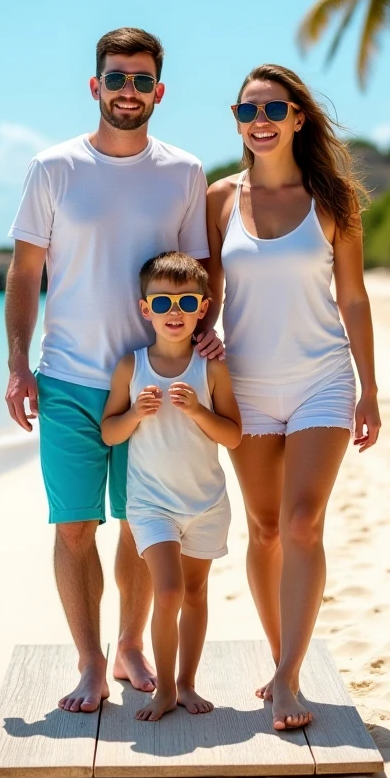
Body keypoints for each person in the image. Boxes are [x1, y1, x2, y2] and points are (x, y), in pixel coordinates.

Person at [4, 28, 223, 714]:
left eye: (140, 79)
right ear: (95, 86)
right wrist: (18, 362)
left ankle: (130, 645)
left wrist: (206, 337)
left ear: (159, 91)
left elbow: (199, 272)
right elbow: (25, 270)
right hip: (68, 378)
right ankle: (90, 663)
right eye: (116, 77)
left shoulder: (184, 172)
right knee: (74, 527)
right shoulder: (53, 167)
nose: (128, 89)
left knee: (139, 524)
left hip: (150, 382)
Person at [204, 64, 381, 732]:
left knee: (303, 521)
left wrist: (370, 389)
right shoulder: (220, 199)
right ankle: (284, 659)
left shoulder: (333, 198)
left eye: (272, 109)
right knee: (266, 528)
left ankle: (285, 679)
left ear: (298, 117)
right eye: (246, 113)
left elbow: (354, 297)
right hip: (246, 387)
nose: (260, 122)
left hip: (321, 381)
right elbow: (210, 295)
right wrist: (190, 357)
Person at [101, 252, 241, 722]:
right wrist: (134, 413)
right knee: (168, 591)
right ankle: (162, 688)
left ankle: (186, 683)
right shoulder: (131, 366)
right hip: (151, 504)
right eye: (162, 303)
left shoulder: (212, 369)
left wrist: (200, 412)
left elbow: (233, 434)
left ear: (204, 307)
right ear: (146, 310)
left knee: (196, 593)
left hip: (205, 504)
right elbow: (109, 432)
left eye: (186, 302)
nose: (174, 312)